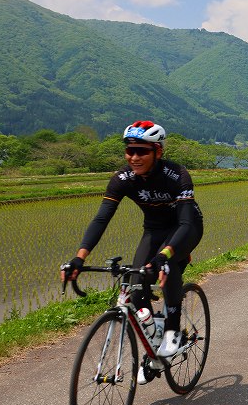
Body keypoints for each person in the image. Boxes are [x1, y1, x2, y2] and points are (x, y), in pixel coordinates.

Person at [62, 120, 204, 382]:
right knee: (135, 283)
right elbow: (102, 218)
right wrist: (79, 257)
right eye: (130, 151)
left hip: (185, 229)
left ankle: (172, 329)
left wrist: (165, 256)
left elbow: (185, 223)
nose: (134, 157)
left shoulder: (177, 175)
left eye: (142, 151)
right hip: (153, 231)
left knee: (165, 268)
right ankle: (153, 349)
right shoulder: (122, 179)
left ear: (158, 152)